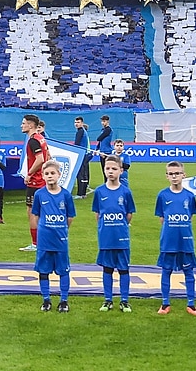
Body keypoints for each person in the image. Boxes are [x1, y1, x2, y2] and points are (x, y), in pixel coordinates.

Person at [156, 161, 196, 316]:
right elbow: (162, 218)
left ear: (183, 175)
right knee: (166, 270)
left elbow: (190, 217)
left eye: (177, 173)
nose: (174, 176)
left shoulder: (189, 196)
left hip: (185, 240)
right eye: (171, 174)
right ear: (167, 176)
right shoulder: (162, 195)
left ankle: (191, 304)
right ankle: (165, 303)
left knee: (188, 271)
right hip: (168, 240)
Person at [93, 155, 135, 312]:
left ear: (121, 171)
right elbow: (98, 214)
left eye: (114, 169)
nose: (110, 171)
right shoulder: (99, 191)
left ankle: (124, 300)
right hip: (106, 237)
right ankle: (107, 299)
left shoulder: (126, 192)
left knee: (124, 269)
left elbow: (129, 214)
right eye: (108, 168)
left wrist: (121, 224)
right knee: (107, 269)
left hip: (121, 237)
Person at [32, 159, 75, 313]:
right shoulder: (39, 194)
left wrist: (62, 229)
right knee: (43, 270)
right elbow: (36, 216)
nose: (50, 176)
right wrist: (44, 229)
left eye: (52, 173)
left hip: (60, 240)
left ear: (59, 175)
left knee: (64, 270)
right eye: (47, 173)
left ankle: (63, 300)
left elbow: (70, 217)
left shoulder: (66, 195)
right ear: (43, 176)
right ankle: (46, 300)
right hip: (44, 240)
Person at [20, 114, 49, 251]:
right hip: (43, 180)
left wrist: (29, 174)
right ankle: (44, 240)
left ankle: (35, 243)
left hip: (35, 182)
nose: (21, 125)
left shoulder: (33, 141)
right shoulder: (41, 138)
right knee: (43, 212)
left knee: (32, 212)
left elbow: (40, 159)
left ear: (31, 125)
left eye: (23, 123)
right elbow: (48, 157)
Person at [72, 116, 91, 199]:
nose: (76, 124)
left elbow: (76, 144)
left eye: (78, 122)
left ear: (82, 123)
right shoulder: (83, 131)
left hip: (82, 155)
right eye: (75, 122)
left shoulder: (80, 132)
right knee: (84, 174)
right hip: (85, 154)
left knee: (80, 174)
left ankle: (80, 193)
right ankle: (83, 193)